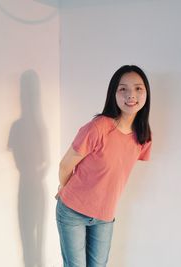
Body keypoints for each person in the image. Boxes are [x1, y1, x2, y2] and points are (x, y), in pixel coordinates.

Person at [55, 65, 152, 267]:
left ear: (146, 93)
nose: (130, 95)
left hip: (105, 217)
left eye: (138, 88)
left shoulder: (143, 136)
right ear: (113, 94)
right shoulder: (98, 128)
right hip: (73, 211)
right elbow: (65, 165)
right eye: (122, 89)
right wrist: (64, 189)